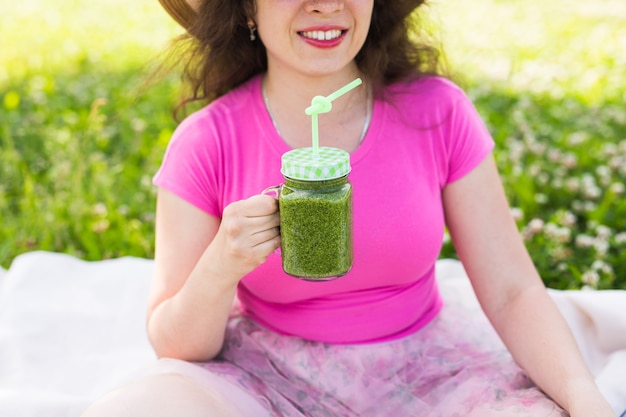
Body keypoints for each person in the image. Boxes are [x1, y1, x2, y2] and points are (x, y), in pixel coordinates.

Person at [82, 0, 616, 416]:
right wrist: (222, 263)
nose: (325, 4)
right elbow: (175, 344)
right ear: (246, 7)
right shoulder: (208, 141)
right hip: (269, 377)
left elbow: (513, 291)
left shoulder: (436, 112)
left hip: (429, 373)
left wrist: (583, 397)